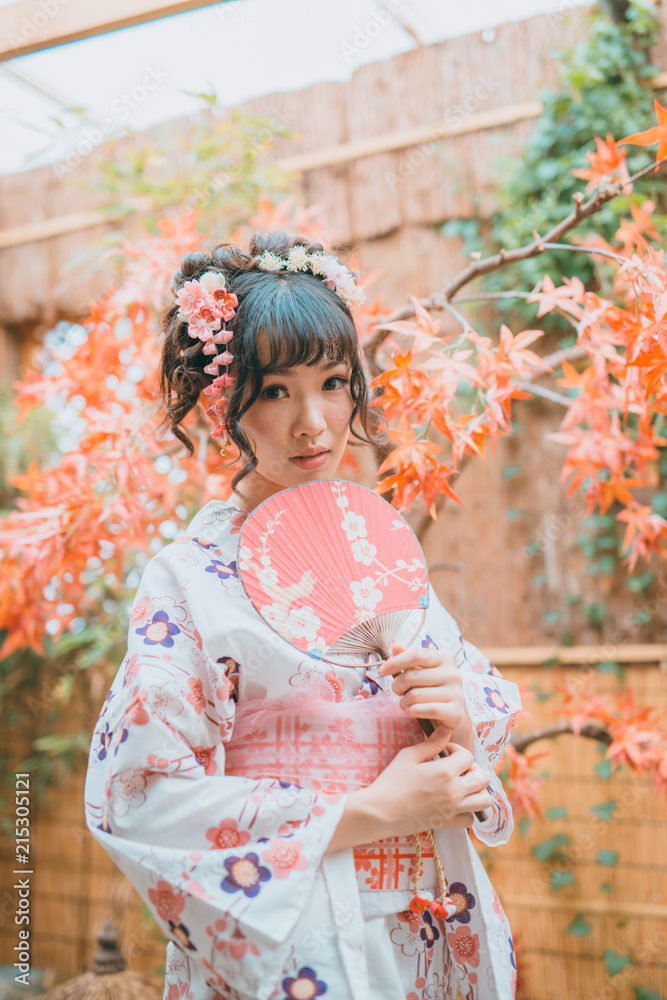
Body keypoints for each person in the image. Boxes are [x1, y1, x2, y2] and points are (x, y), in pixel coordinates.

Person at [84, 230, 522, 1000]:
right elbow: (142, 796)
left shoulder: (377, 546)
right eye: (277, 390)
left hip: (425, 918)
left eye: (331, 383)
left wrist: (454, 722)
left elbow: (471, 757)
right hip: (296, 928)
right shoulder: (189, 577)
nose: (312, 424)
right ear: (225, 400)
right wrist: (362, 810)